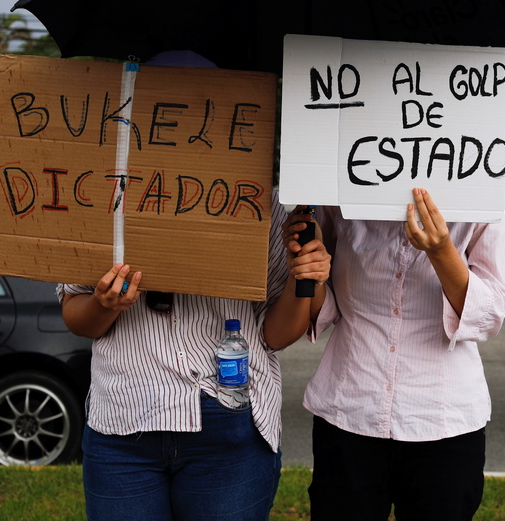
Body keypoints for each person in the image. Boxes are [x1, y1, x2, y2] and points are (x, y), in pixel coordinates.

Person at [58, 202, 329, 521]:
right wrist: (103, 305)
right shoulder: (102, 196)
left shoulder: (253, 197)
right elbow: (75, 314)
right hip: (123, 418)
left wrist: (302, 277)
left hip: (228, 417)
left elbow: (275, 336)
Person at [274, 188, 505, 521]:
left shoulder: (483, 193)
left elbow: (488, 315)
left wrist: (442, 251)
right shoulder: (337, 193)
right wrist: (310, 269)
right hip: (350, 411)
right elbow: (324, 307)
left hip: (444, 420)